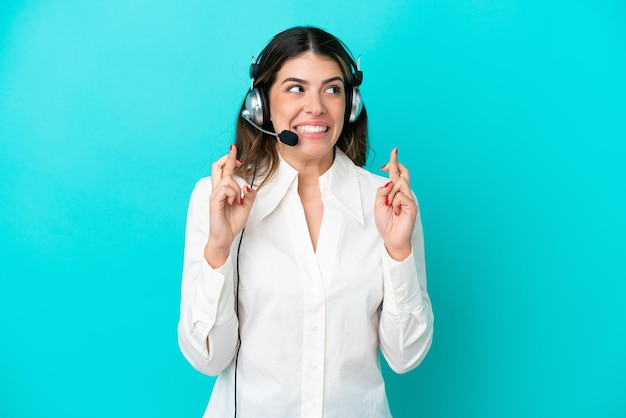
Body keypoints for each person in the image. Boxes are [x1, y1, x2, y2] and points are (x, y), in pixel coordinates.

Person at [178, 26, 434, 418]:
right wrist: (218, 248)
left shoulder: (387, 203)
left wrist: (398, 251)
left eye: (332, 89)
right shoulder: (217, 200)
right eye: (296, 88)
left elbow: (406, 356)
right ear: (260, 105)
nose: (316, 107)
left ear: (350, 104)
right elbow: (208, 358)